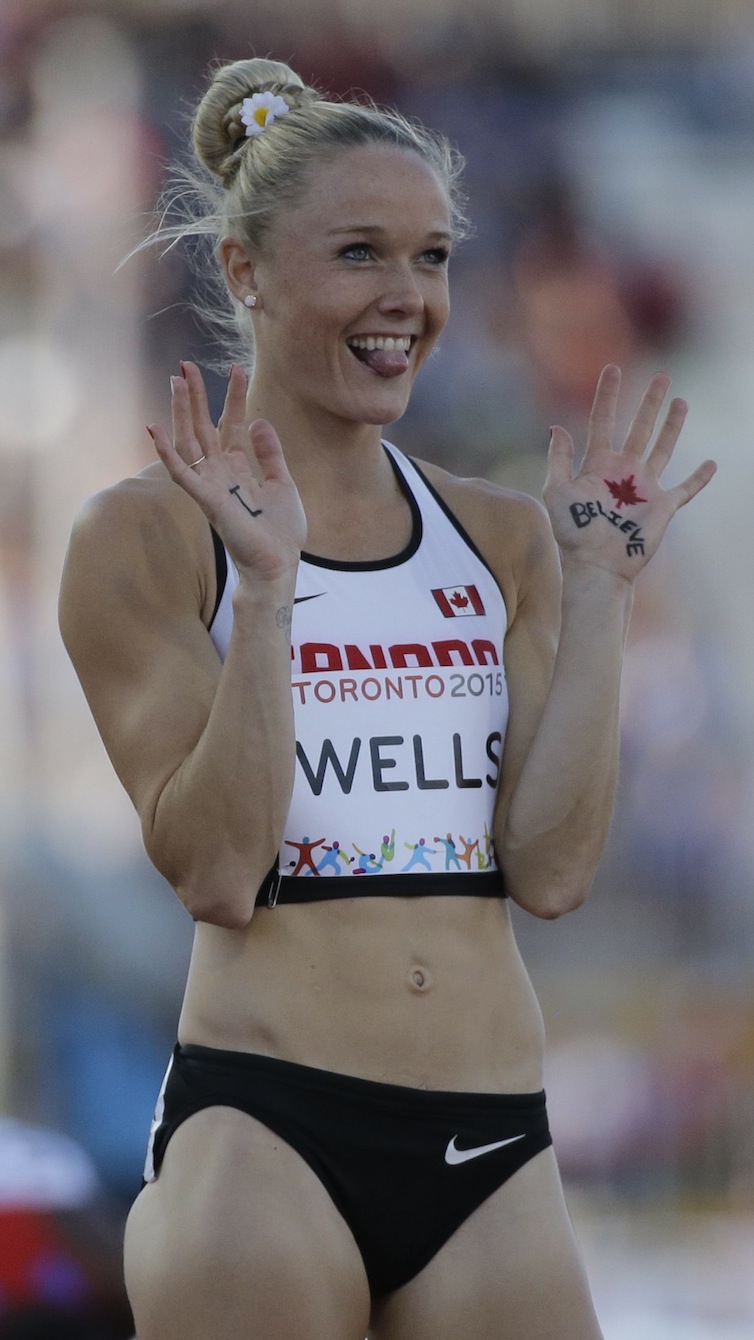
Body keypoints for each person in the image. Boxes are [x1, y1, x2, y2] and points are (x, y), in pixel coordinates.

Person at [58, 56, 716, 1340]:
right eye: (359, 252)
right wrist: (265, 592)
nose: (407, 299)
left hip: (489, 1140)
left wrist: (598, 605)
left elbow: (552, 869)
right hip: (269, 1134)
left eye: (431, 257)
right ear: (246, 272)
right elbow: (218, 867)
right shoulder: (143, 536)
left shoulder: (507, 535)